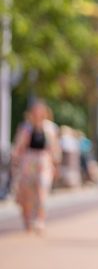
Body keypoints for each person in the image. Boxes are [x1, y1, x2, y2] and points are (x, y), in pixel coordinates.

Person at [11, 99, 60, 234]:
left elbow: (55, 149)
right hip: (28, 162)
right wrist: (15, 162)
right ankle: (27, 218)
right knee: (27, 192)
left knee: (42, 190)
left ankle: (40, 219)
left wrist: (56, 165)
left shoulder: (50, 128)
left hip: (44, 163)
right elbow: (18, 147)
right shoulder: (25, 127)